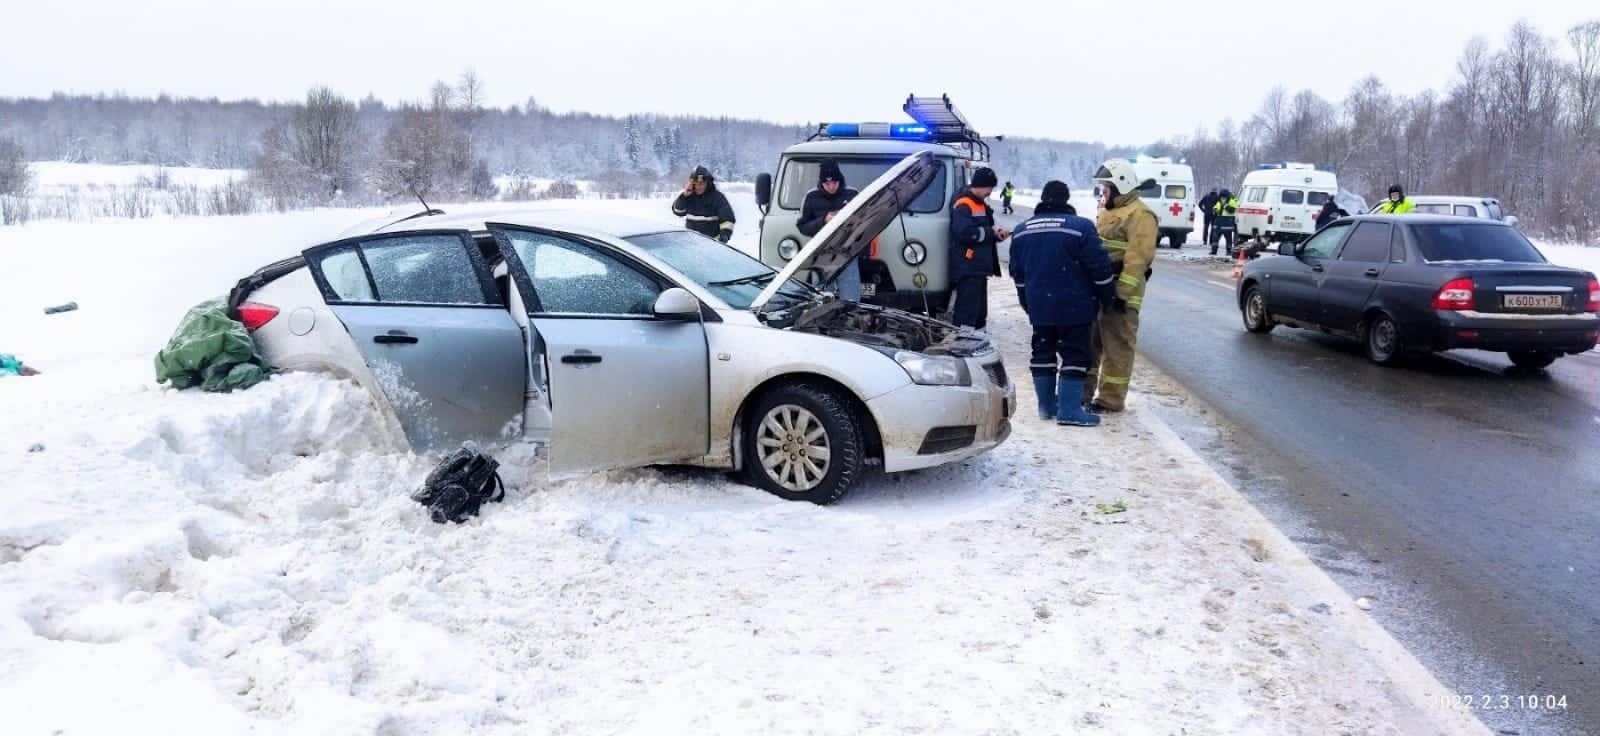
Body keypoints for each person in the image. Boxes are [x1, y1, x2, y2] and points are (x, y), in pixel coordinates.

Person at [1008, 181, 1117, 426]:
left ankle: (1046, 406)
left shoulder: (1022, 229)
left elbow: (1018, 274)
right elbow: (1099, 268)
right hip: (1075, 304)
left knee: (1042, 350)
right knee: (1076, 353)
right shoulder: (1081, 227)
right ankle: (1069, 410)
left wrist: (1028, 303)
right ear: (1067, 200)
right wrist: (1108, 297)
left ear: (1043, 199)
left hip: (1039, 304)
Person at [1085, 159, 1158, 413]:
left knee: (1117, 347)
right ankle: (1083, 393)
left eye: (1107, 188)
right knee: (1089, 343)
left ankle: (1110, 400)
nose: (1103, 193)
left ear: (1121, 185)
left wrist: (1122, 294)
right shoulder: (1108, 211)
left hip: (1121, 294)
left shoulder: (1141, 214)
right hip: (1098, 289)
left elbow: (1138, 258)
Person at [948, 166, 1010, 329]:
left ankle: (974, 341)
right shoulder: (964, 204)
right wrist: (991, 232)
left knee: (978, 314)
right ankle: (961, 344)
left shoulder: (979, 204)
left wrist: (995, 234)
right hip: (968, 268)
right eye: (990, 187)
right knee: (967, 314)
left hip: (978, 268)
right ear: (982, 185)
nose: (991, 191)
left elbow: (981, 233)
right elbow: (964, 233)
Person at [797, 160, 864, 300]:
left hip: (847, 254)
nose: (831, 186)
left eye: (835, 182)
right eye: (827, 184)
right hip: (821, 254)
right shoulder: (811, 197)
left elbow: (864, 223)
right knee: (822, 298)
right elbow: (802, 226)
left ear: (840, 180)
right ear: (821, 183)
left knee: (851, 298)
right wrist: (823, 220)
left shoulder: (853, 195)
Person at [671, 166, 736, 243]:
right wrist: (684, 196)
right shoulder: (688, 196)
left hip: (711, 244)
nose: (698, 187)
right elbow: (678, 212)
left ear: (708, 183)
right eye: (695, 184)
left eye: (701, 184)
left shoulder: (717, 197)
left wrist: (724, 235)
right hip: (691, 243)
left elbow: (728, 220)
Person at [1209, 188, 1239, 256]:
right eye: (1221, 196)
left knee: (1228, 239)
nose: (1223, 197)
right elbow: (1216, 208)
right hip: (1219, 222)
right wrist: (1214, 209)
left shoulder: (1232, 201)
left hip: (1227, 223)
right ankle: (1214, 250)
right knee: (1215, 238)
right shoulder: (1219, 201)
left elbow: (1233, 210)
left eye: (1224, 196)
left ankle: (1228, 251)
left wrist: (1225, 205)